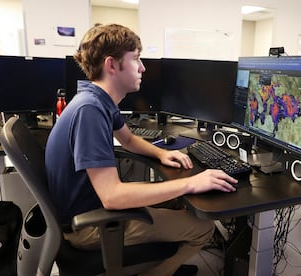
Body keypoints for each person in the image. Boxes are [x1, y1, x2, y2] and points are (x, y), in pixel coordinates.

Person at [45, 24, 238, 276]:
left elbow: (128, 140)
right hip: (90, 225)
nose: (143, 67)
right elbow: (112, 196)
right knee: (204, 228)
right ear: (112, 65)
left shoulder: (98, 100)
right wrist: (191, 183)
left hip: (86, 208)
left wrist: (161, 153)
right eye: (136, 58)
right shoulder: (90, 111)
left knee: (179, 200)